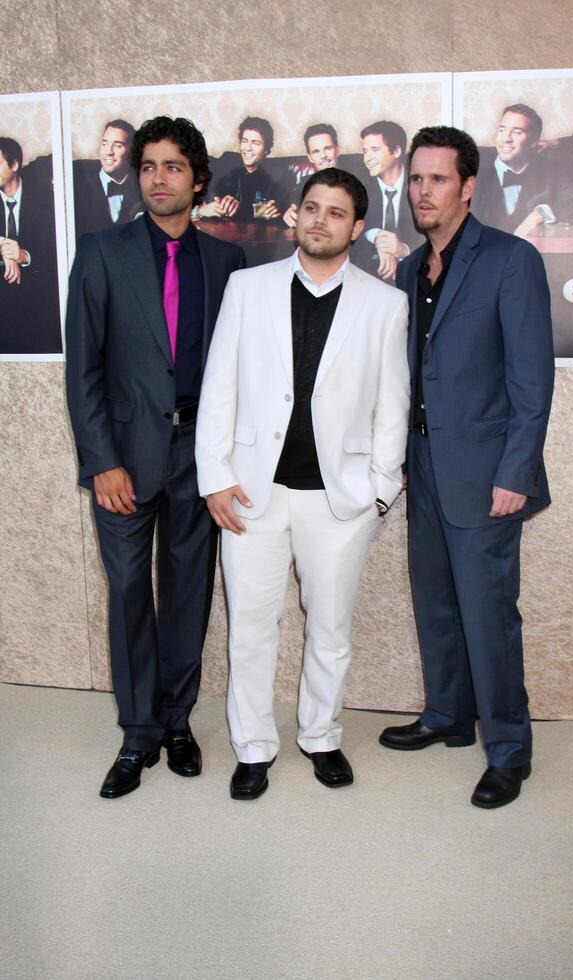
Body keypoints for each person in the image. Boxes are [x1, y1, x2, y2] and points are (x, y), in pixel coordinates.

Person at [195, 167, 410, 800]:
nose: (319, 220)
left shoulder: (384, 303)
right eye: (310, 208)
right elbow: (220, 386)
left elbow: (393, 405)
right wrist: (214, 478)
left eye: (335, 212)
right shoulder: (248, 287)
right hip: (251, 493)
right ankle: (254, 748)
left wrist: (379, 491)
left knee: (331, 629)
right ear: (296, 214)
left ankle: (321, 736)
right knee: (252, 626)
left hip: (340, 499)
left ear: (358, 226)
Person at [65, 116, 245, 799]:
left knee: (189, 594)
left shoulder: (226, 261)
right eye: (148, 166)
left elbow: (237, 371)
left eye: (173, 166)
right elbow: (83, 370)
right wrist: (101, 461)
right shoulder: (102, 252)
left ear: (197, 180)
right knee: (129, 593)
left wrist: (228, 462)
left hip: (199, 455)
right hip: (125, 459)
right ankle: (138, 735)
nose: (159, 178)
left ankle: (177, 722)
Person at [379, 126, 554, 809]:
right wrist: (397, 458)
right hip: (421, 470)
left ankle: (509, 748)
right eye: (416, 180)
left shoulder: (510, 261)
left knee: (487, 614)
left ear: (469, 186)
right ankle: (448, 714)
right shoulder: (407, 270)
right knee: (436, 603)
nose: (423, 191)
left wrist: (516, 472)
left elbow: (532, 382)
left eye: (438, 179)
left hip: (487, 475)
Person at [0, 136, 60, 354]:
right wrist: (6, 249)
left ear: (14, 165)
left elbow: (53, 250)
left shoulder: (43, 199)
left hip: (37, 299)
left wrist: (23, 256)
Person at [471, 103, 553, 238]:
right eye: (502, 130)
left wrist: (538, 214)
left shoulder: (548, 171)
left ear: (533, 141)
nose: (506, 139)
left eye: (516, 132)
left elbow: (572, 201)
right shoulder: (472, 168)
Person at [357, 121, 419, 280]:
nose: (367, 159)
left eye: (375, 150)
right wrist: (379, 238)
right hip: (371, 271)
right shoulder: (359, 184)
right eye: (365, 151)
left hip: (415, 268)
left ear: (397, 151)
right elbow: (354, 225)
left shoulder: (420, 184)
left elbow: (434, 232)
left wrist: (403, 250)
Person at [198, 116, 286, 222]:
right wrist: (201, 210)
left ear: (267, 150)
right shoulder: (224, 163)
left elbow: (276, 208)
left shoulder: (278, 174)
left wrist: (273, 211)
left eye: (255, 143)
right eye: (244, 141)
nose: (248, 148)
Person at [73, 119, 142, 239]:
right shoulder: (77, 174)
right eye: (104, 144)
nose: (108, 152)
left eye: (117, 146)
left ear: (131, 152)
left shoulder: (143, 183)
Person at [283, 123, 341, 228]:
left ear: (337, 150)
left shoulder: (357, 180)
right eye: (316, 151)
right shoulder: (305, 183)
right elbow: (292, 208)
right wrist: (288, 214)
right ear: (310, 157)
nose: (323, 155)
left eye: (327, 148)